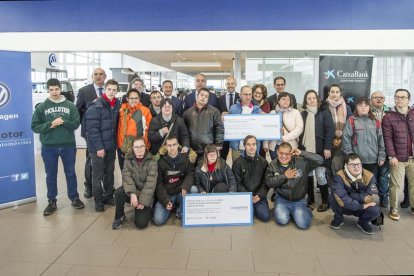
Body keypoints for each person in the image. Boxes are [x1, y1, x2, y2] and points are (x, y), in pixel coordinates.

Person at [31, 78, 84, 215]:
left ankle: (74, 198)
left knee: (71, 173)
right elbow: (35, 127)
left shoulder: (70, 105)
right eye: (51, 90)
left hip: (68, 145)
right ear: (48, 90)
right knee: (51, 174)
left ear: (61, 89)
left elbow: (76, 124)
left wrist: (64, 121)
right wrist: (50, 125)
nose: (54, 92)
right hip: (49, 147)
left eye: (56, 89)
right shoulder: (42, 107)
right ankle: (51, 201)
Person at [265, 142, 323, 229]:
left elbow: (320, 160)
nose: (284, 156)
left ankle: (306, 210)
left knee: (303, 224)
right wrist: (284, 176)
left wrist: (301, 153)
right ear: (277, 152)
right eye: (281, 153)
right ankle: (290, 212)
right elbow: (269, 182)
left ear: (291, 153)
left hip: (299, 199)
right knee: (282, 220)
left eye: (287, 154)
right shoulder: (272, 164)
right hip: (282, 198)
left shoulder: (301, 162)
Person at [85, 79, 121, 212]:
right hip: (98, 148)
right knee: (97, 175)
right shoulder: (96, 106)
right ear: (105, 90)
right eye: (109, 89)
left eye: (114, 90)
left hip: (111, 146)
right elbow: (92, 130)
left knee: (109, 173)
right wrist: (99, 147)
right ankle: (98, 201)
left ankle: (108, 196)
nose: (112, 92)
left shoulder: (117, 104)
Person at [299, 90, 335, 212]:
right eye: (309, 98)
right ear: (305, 101)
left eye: (314, 98)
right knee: (308, 175)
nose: (311, 100)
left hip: (320, 150)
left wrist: (327, 147)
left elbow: (330, 131)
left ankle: (325, 201)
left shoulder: (324, 113)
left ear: (318, 100)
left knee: (320, 175)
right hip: (306, 151)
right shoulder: (303, 114)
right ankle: (310, 198)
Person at [382, 88, 414, 220]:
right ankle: (394, 208)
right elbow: (387, 138)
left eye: (402, 97)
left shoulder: (413, 114)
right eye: (397, 97)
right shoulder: (389, 116)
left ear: (409, 100)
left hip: (413, 157)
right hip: (398, 158)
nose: (399, 99)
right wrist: (391, 156)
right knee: (395, 184)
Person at [329, 153, 381, 235]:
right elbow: (342, 198)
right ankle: (338, 218)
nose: (356, 167)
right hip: (347, 206)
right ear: (346, 165)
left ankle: (362, 222)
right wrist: (361, 205)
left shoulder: (369, 176)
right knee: (333, 198)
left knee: (375, 209)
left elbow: (371, 197)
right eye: (352, 164)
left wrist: (351, 195)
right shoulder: (339, 176)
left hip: (361, 207)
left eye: (358, 164)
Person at [112, 137, 157, 229]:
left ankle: (148, 210)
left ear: (146, 147)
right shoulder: (128, 160)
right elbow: (126, 178)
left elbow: (150, 184)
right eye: (136, 147)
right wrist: (132, 194)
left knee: (141, 224)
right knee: (118, 192)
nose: (139, 149)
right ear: (133, 148)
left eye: (141, 146)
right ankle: (119, 216)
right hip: (133, 191)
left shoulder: (152, 162)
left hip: (145, 195)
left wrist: (143, 202)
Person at [76, 67, 106, 199]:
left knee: (106, 159)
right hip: (91, 131)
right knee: (91, 160)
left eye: (100, 74)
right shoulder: (84, 91)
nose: (98, 76)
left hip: (106, 131)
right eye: (95, 74)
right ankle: (89, 185)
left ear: (104, 76)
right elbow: (78, 111)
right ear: (92, 76)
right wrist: (90, 105)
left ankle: (105, 185)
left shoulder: (109, 90)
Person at [342, 97, 386, 184]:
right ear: (356, 107)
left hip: (373, 160)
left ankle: (371, 198)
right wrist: (351, 156)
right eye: (360, 105)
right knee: (356, 184)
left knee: (372, 184)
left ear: (369, 107)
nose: (363, 107)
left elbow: (381, 140)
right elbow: (346, 138)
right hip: (357, 161)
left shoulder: (376, 121)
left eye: (366, 105)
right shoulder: (351, 120)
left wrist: (381, 156)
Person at [153, 136, 195, 225]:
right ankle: (173, 206)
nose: (172, 148)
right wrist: (165, 200)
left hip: (181, 191)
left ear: (178, 145)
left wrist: (185, 186)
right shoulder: (160, 162)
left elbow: (190, 174)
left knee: (193, 189)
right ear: (166, 146)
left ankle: (180, 211)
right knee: (158, 220)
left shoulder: (185, 159)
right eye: (169, 145)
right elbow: (159, 184)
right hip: (168, 194)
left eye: (174, 145)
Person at [232, 135, 270, 222]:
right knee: (247, 217)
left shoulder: (263, 162)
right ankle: (251, 208)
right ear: (244, 146)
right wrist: (247, 195)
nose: (251, 147)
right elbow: (237, 182)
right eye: (248, 144)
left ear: (257, 145)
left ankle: (256, 207)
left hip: (258, 196)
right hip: (244, 195)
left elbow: (266, 183)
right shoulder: (237, 162)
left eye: (253, 144)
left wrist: (259, 195)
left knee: (265, 217)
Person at [183, 87, 224, 161]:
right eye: (202, 95)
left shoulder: (214, 111)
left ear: (208, 99)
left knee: (207, 170)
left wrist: (218, 144)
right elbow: (184, 132)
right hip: (192, 149)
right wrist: (185, 145)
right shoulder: (188, 113)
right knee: (193, 170)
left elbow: (219, 128)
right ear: (197, 96)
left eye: (206, 96)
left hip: (208, 149)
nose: (203, 97)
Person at [117, 88, 152, 170]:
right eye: (131, 98)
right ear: (127, 99)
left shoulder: (145, 111)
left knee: (136, 172)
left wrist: (145, 147)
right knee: (123, 170)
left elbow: (147, 130)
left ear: (139, 99)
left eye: (136, 98)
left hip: (137, 148)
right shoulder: (121, 109)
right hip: (122, 147)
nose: (134, 100)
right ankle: (124, 183)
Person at [322, 84, 352, 175]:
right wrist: (333, 138)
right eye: (332, 92)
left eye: (337, 92)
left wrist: (340, 138)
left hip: (342, 141)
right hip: (327, 141)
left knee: (337, 165)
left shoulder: (346, 107)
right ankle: (329, 187)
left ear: (340, 93)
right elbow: (321, 124)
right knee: (327, 166)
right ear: (328, 93)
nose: (334, 94)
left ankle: (338, 187)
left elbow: (350, 124)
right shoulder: (323, 106)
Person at [263, 92, 304, 159]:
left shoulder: (295, 112)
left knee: (289, 166)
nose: (286, 101)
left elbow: (299, 128)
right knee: (275, 166)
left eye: (288, 99)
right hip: (274, 146)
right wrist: (265, 144)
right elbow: (267, 128)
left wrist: (285, 137)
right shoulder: (273, 113)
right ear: (278, 101)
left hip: (290, 145)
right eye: (283, 99)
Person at [228, 85, 262, 161]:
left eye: (250, 94)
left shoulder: (258, 110)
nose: (248, 97)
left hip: (253, 148)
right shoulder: (233, 108)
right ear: (240, 95)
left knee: (253, 171)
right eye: (245, 94)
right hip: (237, 148)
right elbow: (229, 126)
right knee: (237, 170)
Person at [370, 91, 391, 208]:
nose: (379, 99)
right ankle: (371, 198)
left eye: (381, 97)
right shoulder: (366, 112)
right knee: (372, 176)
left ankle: (383, 198)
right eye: (376, 97)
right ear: (371, 99)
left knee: (383, 176)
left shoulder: (390, 112)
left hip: (386, 148)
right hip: (371, 149)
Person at [217, 76, 240, 160]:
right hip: (224, 133)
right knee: (222, 157)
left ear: (236, 84)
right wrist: (221, 115)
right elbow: (216, 113)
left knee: (237, 158)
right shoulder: (219, 99)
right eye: (228, 83)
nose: (230, 85)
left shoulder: (240, 97)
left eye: (232, 83)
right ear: (225, 85)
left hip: (237, 132)